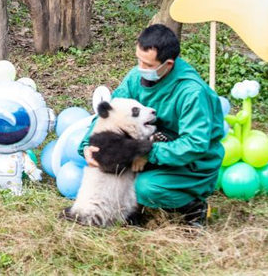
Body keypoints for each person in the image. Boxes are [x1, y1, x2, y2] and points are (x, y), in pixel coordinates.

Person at [78, 24, 224, 226]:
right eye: (138, 59)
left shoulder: (192, 92)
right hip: (147, 149)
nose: (140, 69)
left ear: (168, 64)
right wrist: (88, 145)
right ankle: (135, 211)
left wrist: (147, 152)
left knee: (144, 188)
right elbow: (111, 113)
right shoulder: (135, 77)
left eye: (147, 64)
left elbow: (195, 145)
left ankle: (193, 206)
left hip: (190, 164)